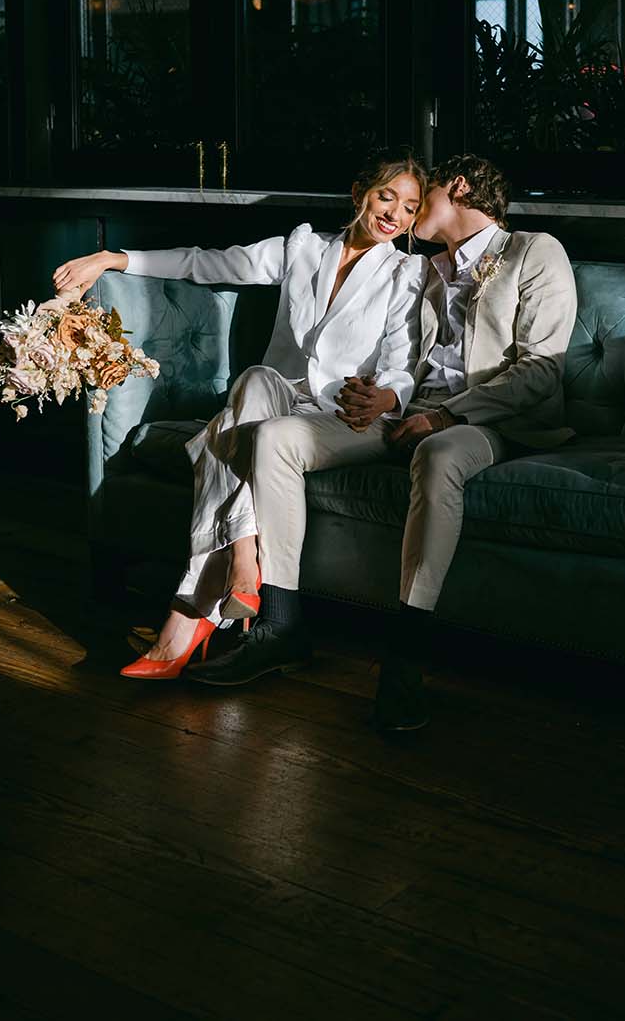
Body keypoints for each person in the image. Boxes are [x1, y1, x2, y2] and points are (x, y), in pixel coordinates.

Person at [189, 154, 577, 734]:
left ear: (460, 187)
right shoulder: (421, 268)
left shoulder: (533, 251)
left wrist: (446, 416)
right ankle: (282, 625)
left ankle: (406, 657)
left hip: (487, 424)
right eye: (399, 199)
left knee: (438, 456)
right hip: (404, 417)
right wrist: (381, 394)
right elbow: (395, 354)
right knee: (275, 438)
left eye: (423, 198)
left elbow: (541, 371)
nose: (411, 211)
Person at [51, 150, 428, 679]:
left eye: (410, 208)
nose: (395, 214)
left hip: (348, 415)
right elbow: (205, 261)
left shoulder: (408, 273)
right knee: (254, 380)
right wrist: (115, 258)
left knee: (222, 436)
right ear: (359, 192)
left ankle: (190, 614)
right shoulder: (303, 248)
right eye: (387, 197)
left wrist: (386, 397)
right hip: (280, 396)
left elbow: (402, 362)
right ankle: (244, 559)